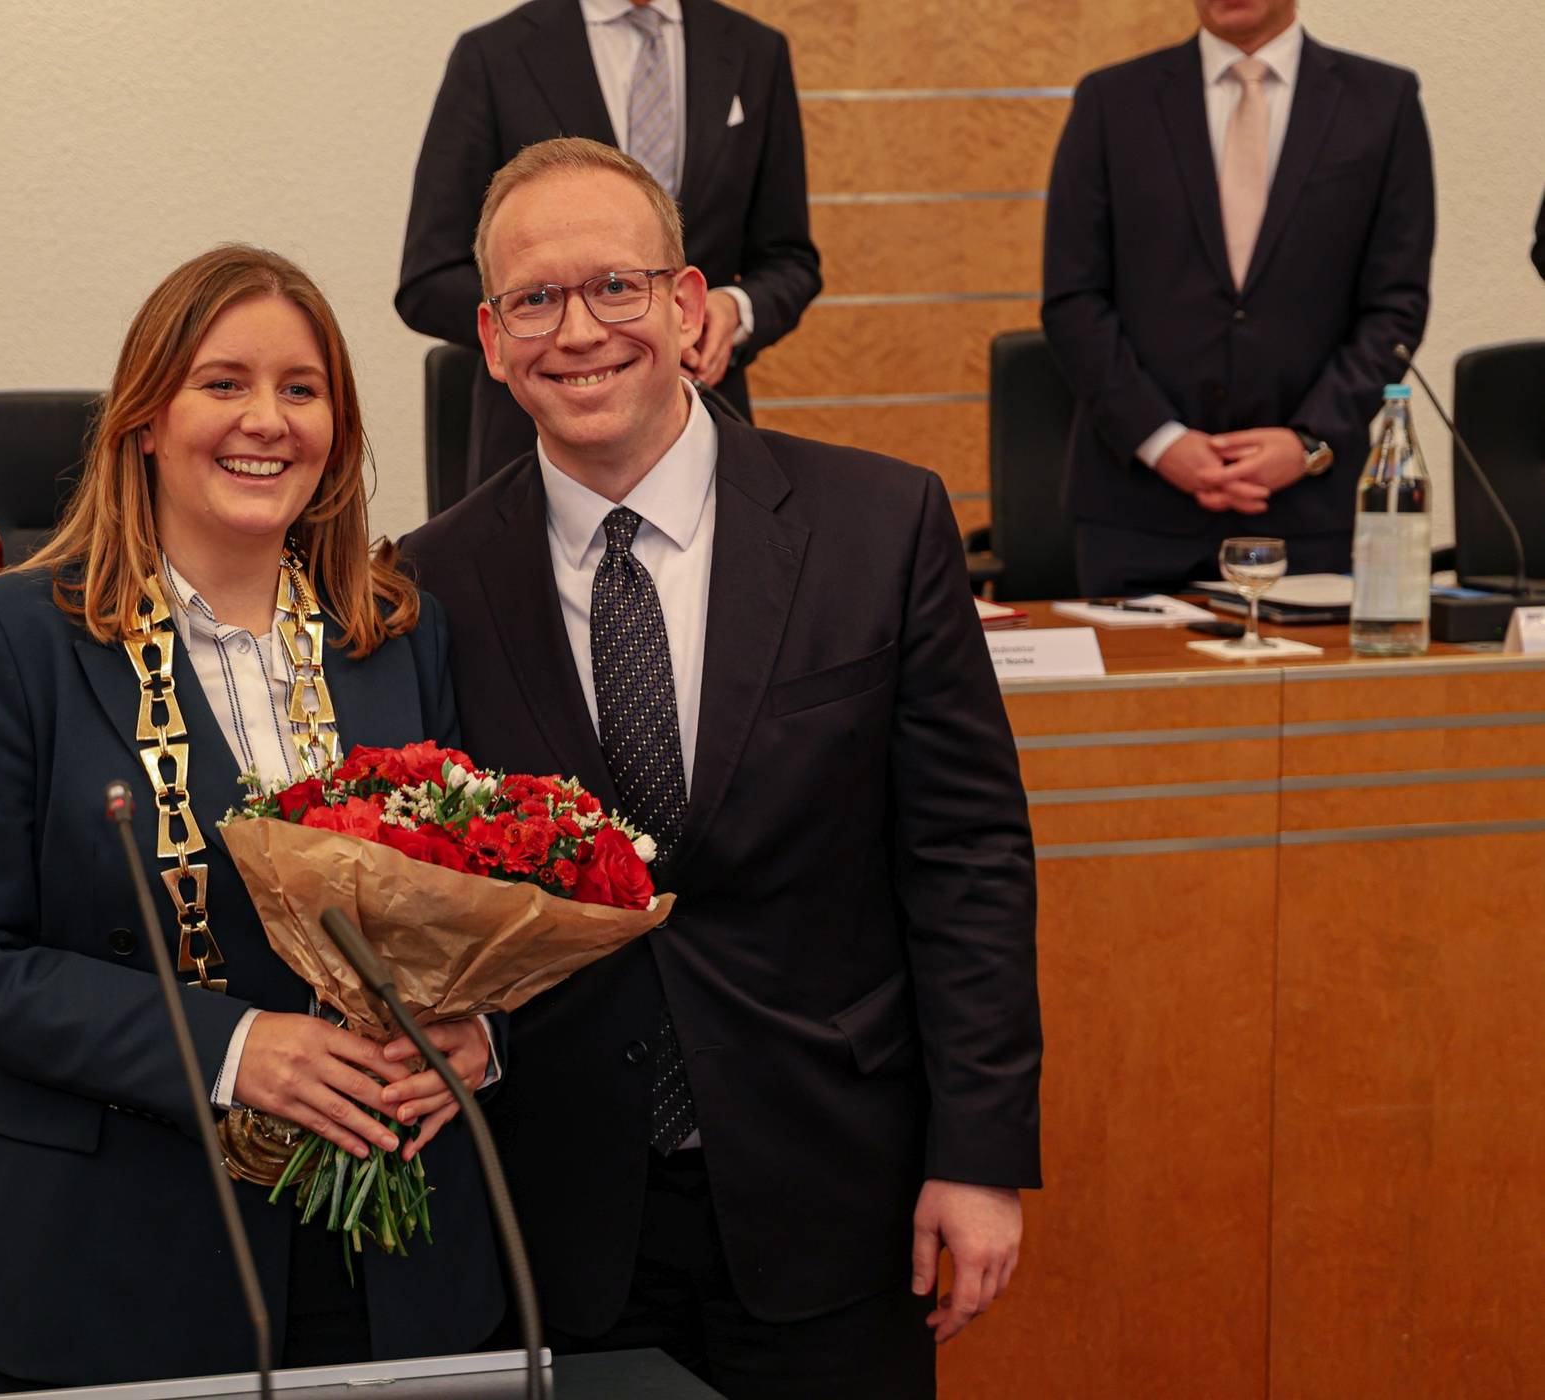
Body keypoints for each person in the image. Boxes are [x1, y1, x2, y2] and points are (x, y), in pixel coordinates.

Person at [400, 138, 1041, 1399]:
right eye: (536, 299)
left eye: (615, 288)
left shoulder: (881, 526)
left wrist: (979, 1155)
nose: (578, 331)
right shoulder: (426, 583)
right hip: (557, 1216)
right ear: (489, 337)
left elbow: (967, 861)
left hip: (833, 1194)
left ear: (688, 307)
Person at [0, 245, 503, 1392]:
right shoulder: (15, 639)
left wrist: (477, 1040)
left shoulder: (401, 631)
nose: (265, 420)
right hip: (123, 1258)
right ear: (145, 420)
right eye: (223, 383)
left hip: (388, 1257)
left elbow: (472, 911)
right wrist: (226, 1047)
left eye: (302, 388)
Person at [1042, 0, 1434, 598]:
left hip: (1310, 510)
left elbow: (1395, 306)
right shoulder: (1112, 101)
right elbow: (1073, 297)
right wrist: (1161, 440)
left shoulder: (1383, 101)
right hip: (1138, 510)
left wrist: (1307, 443)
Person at [398, 0, 818, 499]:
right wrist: (541, 307)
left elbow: (790, 258)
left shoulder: (755, 50)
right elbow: (429, 278)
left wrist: (734, 308)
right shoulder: (493, 54)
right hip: (529, 455)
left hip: (707, 436)